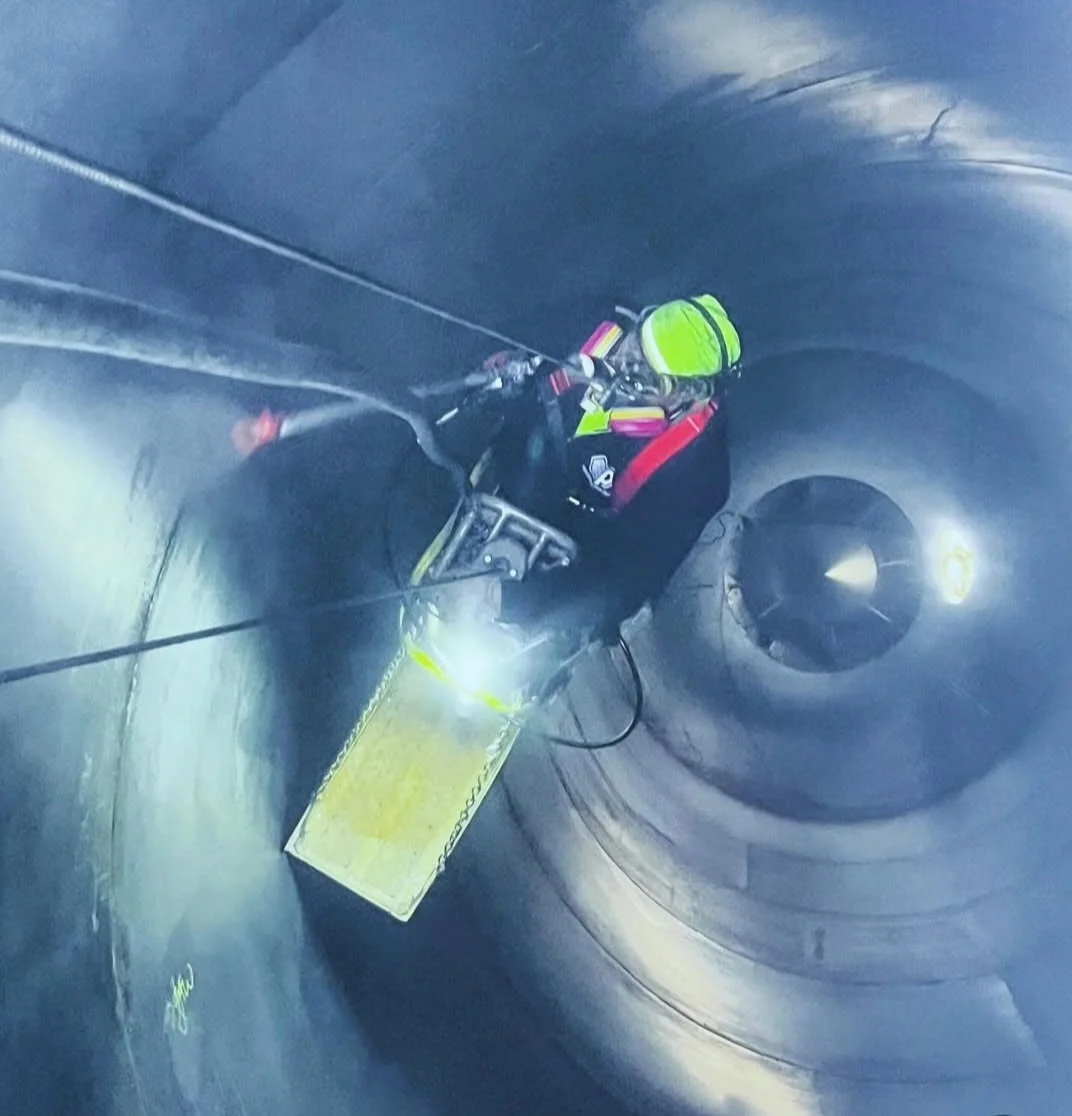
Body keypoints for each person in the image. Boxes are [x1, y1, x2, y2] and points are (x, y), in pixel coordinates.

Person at [466, 293, 742, 642]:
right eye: (633, 349)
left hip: (567, 551)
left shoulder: (699, 477)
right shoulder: (592, 319)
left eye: (646, 375)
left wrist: (512, 601)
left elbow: (625, 578)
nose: (623, 373)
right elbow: (511, 338)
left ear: (690, 394)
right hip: (509, 471)